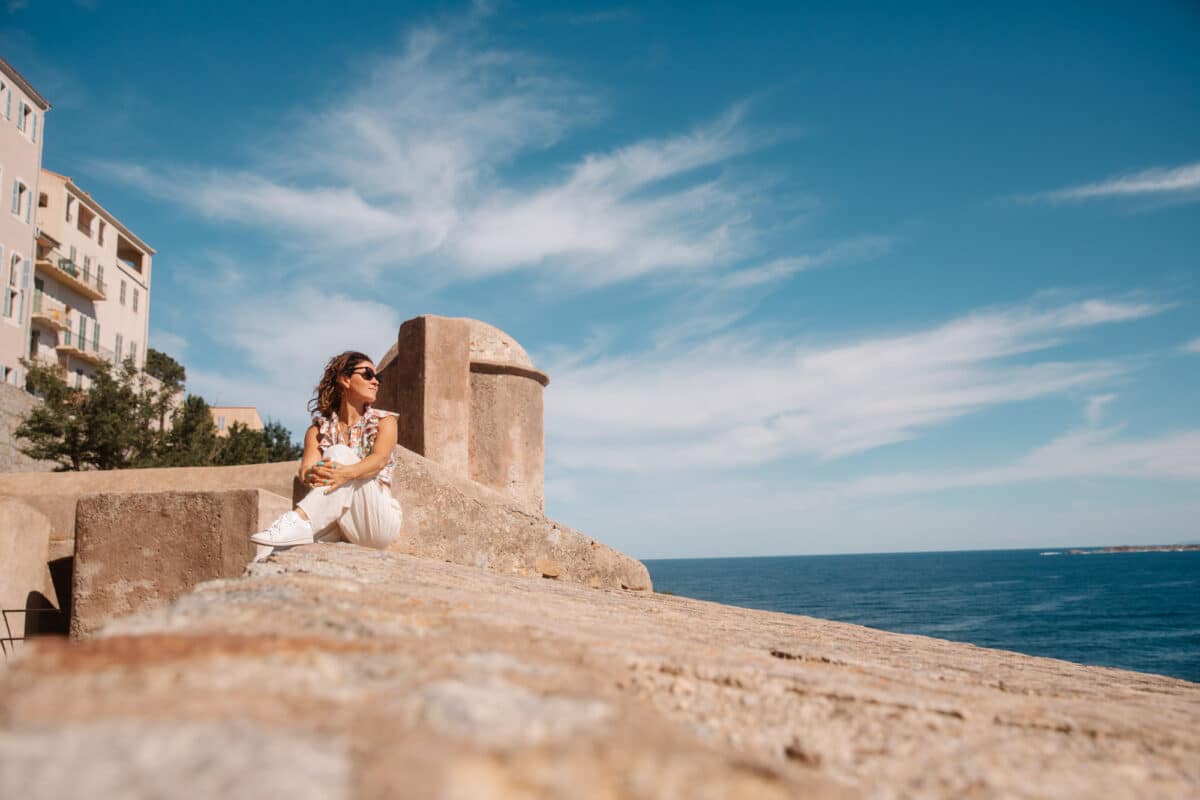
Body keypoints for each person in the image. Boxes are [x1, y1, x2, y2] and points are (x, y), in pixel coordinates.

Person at [250, 351, 403, 556]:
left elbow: (379, 460)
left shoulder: (385, 422)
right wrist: (313, 474)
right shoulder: (317, 430)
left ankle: (298, 519)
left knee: (338, 452)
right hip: (334, 520)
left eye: (378, 377)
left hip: (374, 521)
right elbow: (306, 470)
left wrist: (344, 473)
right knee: (269, 552)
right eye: (368, 374)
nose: (375, 381)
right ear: (345, 379)